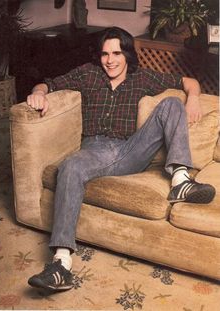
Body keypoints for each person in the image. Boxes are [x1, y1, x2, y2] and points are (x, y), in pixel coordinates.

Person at [26, 27, 215, 292]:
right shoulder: (87, 74)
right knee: (70, 166)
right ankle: (61, 264)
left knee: (171, 104)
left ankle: (181, 179)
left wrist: (193, 99)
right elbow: (49, 83)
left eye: (116, 53)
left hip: (130, 151)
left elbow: (189, 82)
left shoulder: (143, 78)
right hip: (94, 150)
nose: (110, 60)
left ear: (127, 54)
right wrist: (39, 92)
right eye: (105, 54)